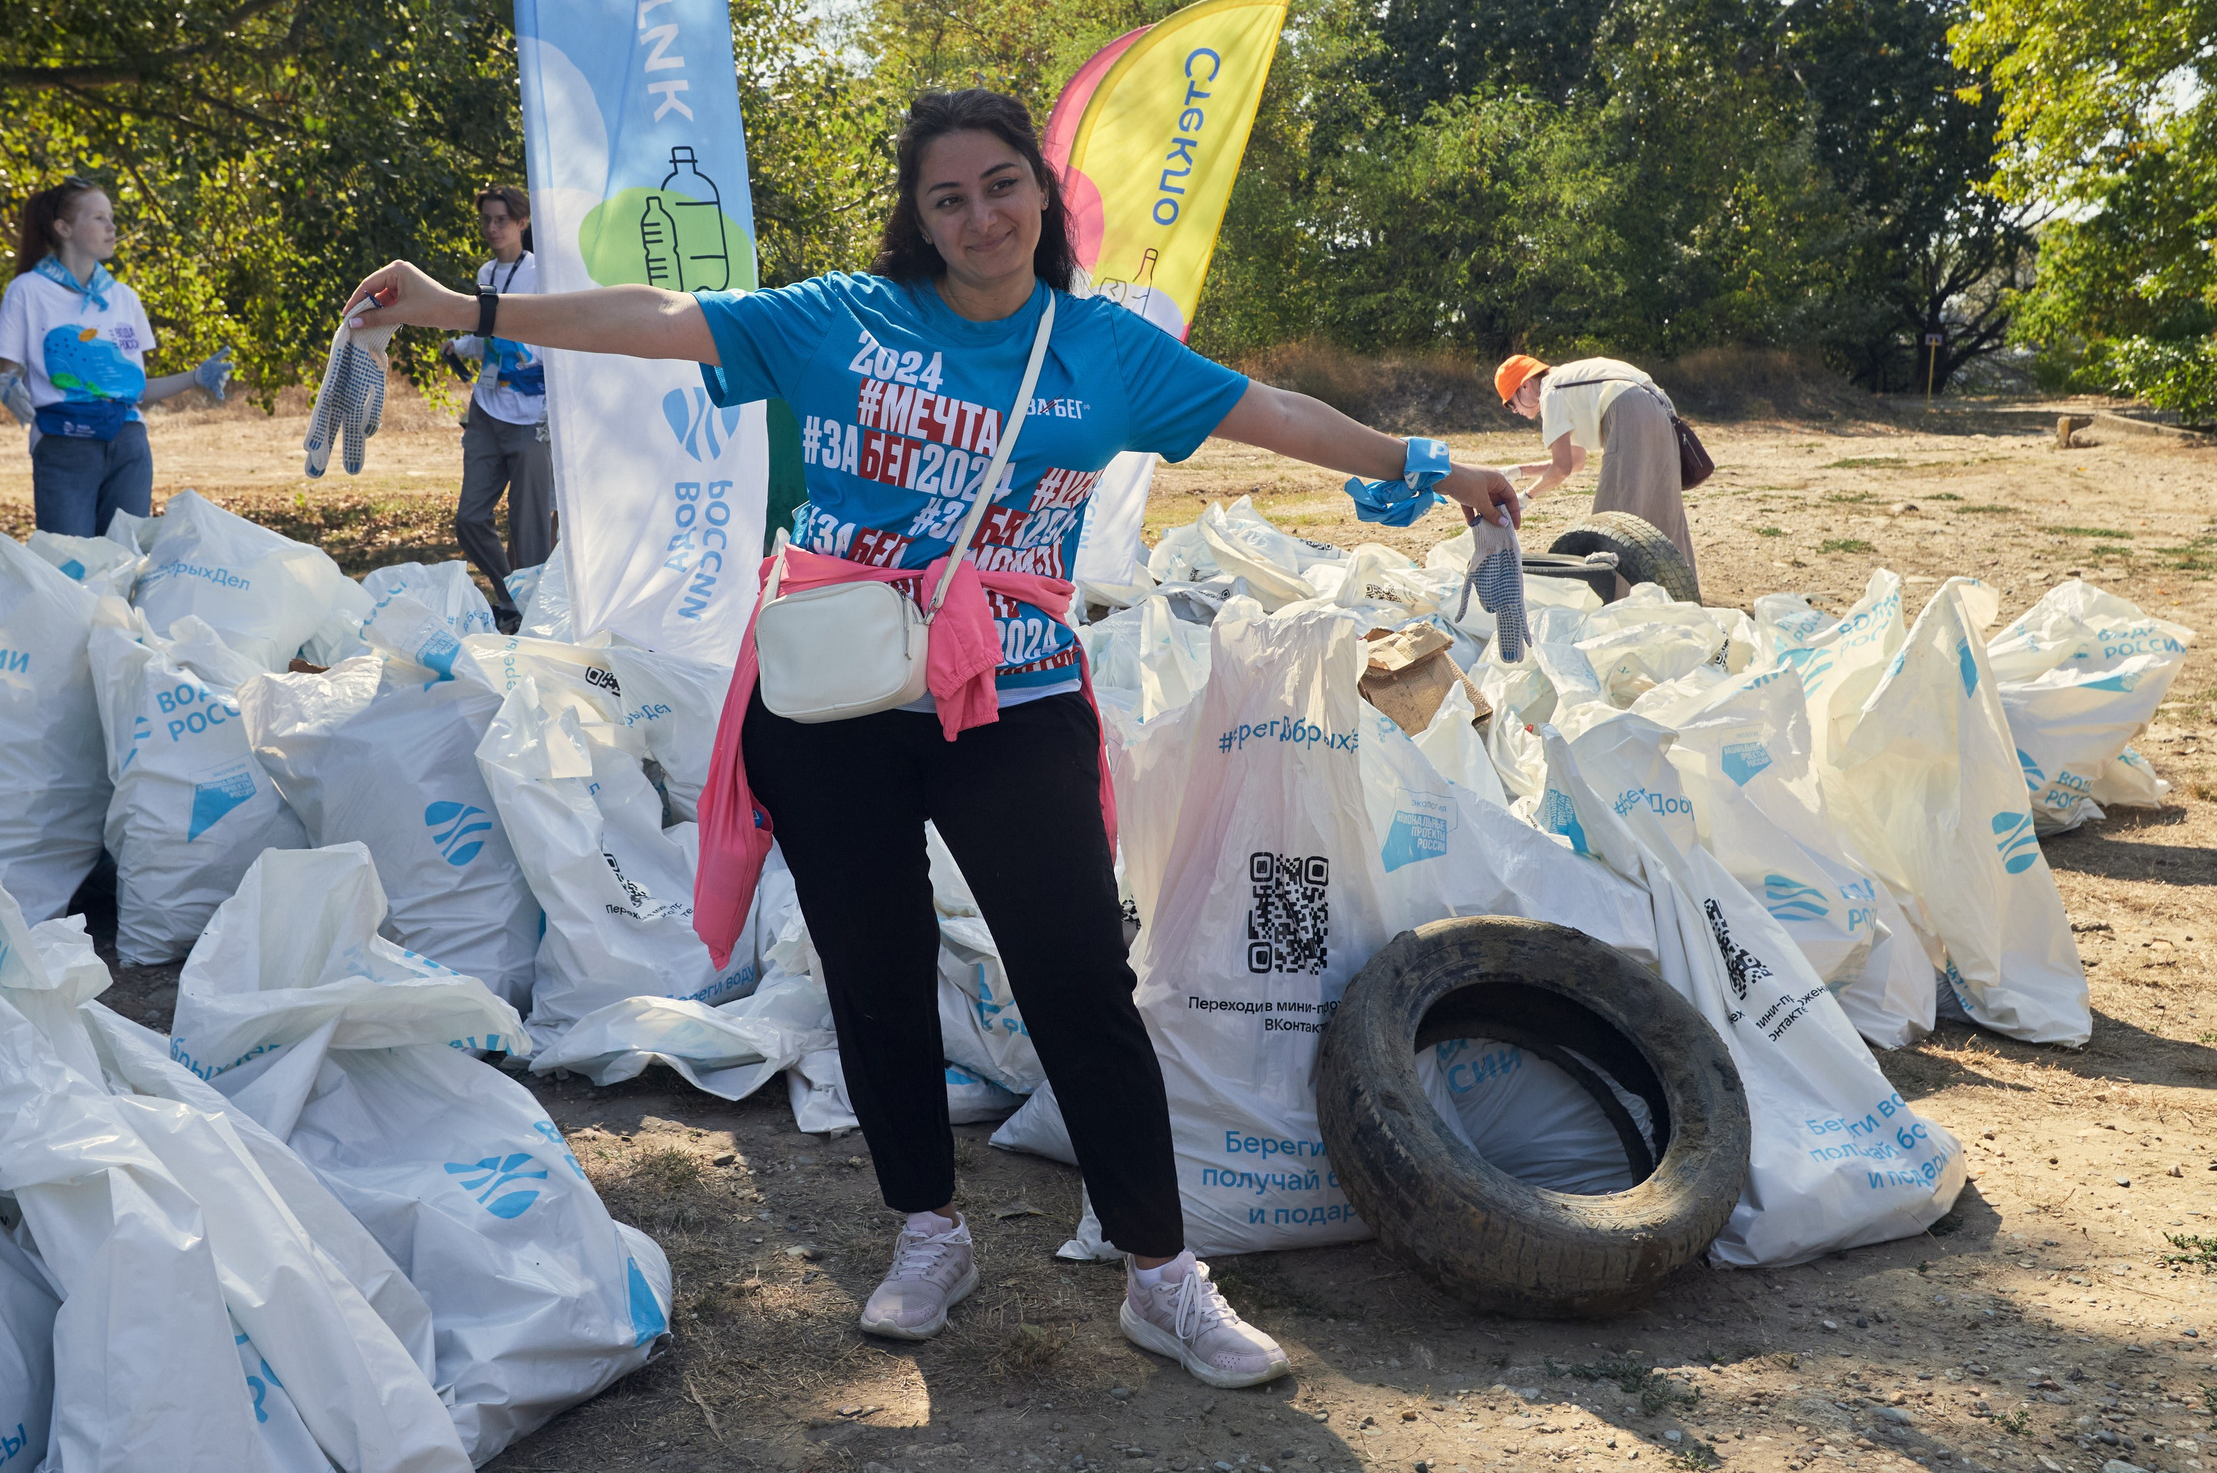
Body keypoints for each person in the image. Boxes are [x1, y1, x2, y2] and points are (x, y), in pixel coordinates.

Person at [343, 89, 1520, 1391]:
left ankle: (1162, 1271)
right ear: (916, 214)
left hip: (1015, 704)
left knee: (1077, 975)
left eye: (1002, 184)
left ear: (1044, 195)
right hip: (837, 702)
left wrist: (1427, 459)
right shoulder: (841, 317)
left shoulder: (1100, 350)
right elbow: (662, 320)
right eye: (947, 195)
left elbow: (1274, 411)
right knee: (876, 968)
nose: (980, 216)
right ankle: (927, 1228)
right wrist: (468, 308)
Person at [0, 177, 229, 536]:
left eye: (112, 217)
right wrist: (7, 385)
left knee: (125, 566)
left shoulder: (124, 297)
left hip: (129, 443)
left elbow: (134, 389)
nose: (112, 227)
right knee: (70, 566)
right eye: (99, 218)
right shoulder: (28, 290)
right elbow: (6, 370)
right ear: (63, 227)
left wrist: (195, 377)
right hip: (64, 443)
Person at [444, 186, 554, 629]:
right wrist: (460, 345)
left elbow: (559, 340)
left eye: (501, 220)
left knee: (529, 532)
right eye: (487, 220)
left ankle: (537, 618)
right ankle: (511, 597)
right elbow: (487, 333)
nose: (492, 228)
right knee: (470, 517)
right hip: (487, 410)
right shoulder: (487, 271)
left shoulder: (544, 274)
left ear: (522, 223)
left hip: (533, 417)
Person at [1497, 353, 1698, 575]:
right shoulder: (1567, 381)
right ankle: (1679, 596)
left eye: (1511, 404)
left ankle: (1612, 601)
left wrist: (1523, 498)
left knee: (1612, 522)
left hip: (1629, 407)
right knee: (1664, 513)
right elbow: (1575, 462)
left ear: (1524, 385)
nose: (1516, 411)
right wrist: (1517, 471)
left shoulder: (1551, 392)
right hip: (1660, 408)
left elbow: (1561, 469)